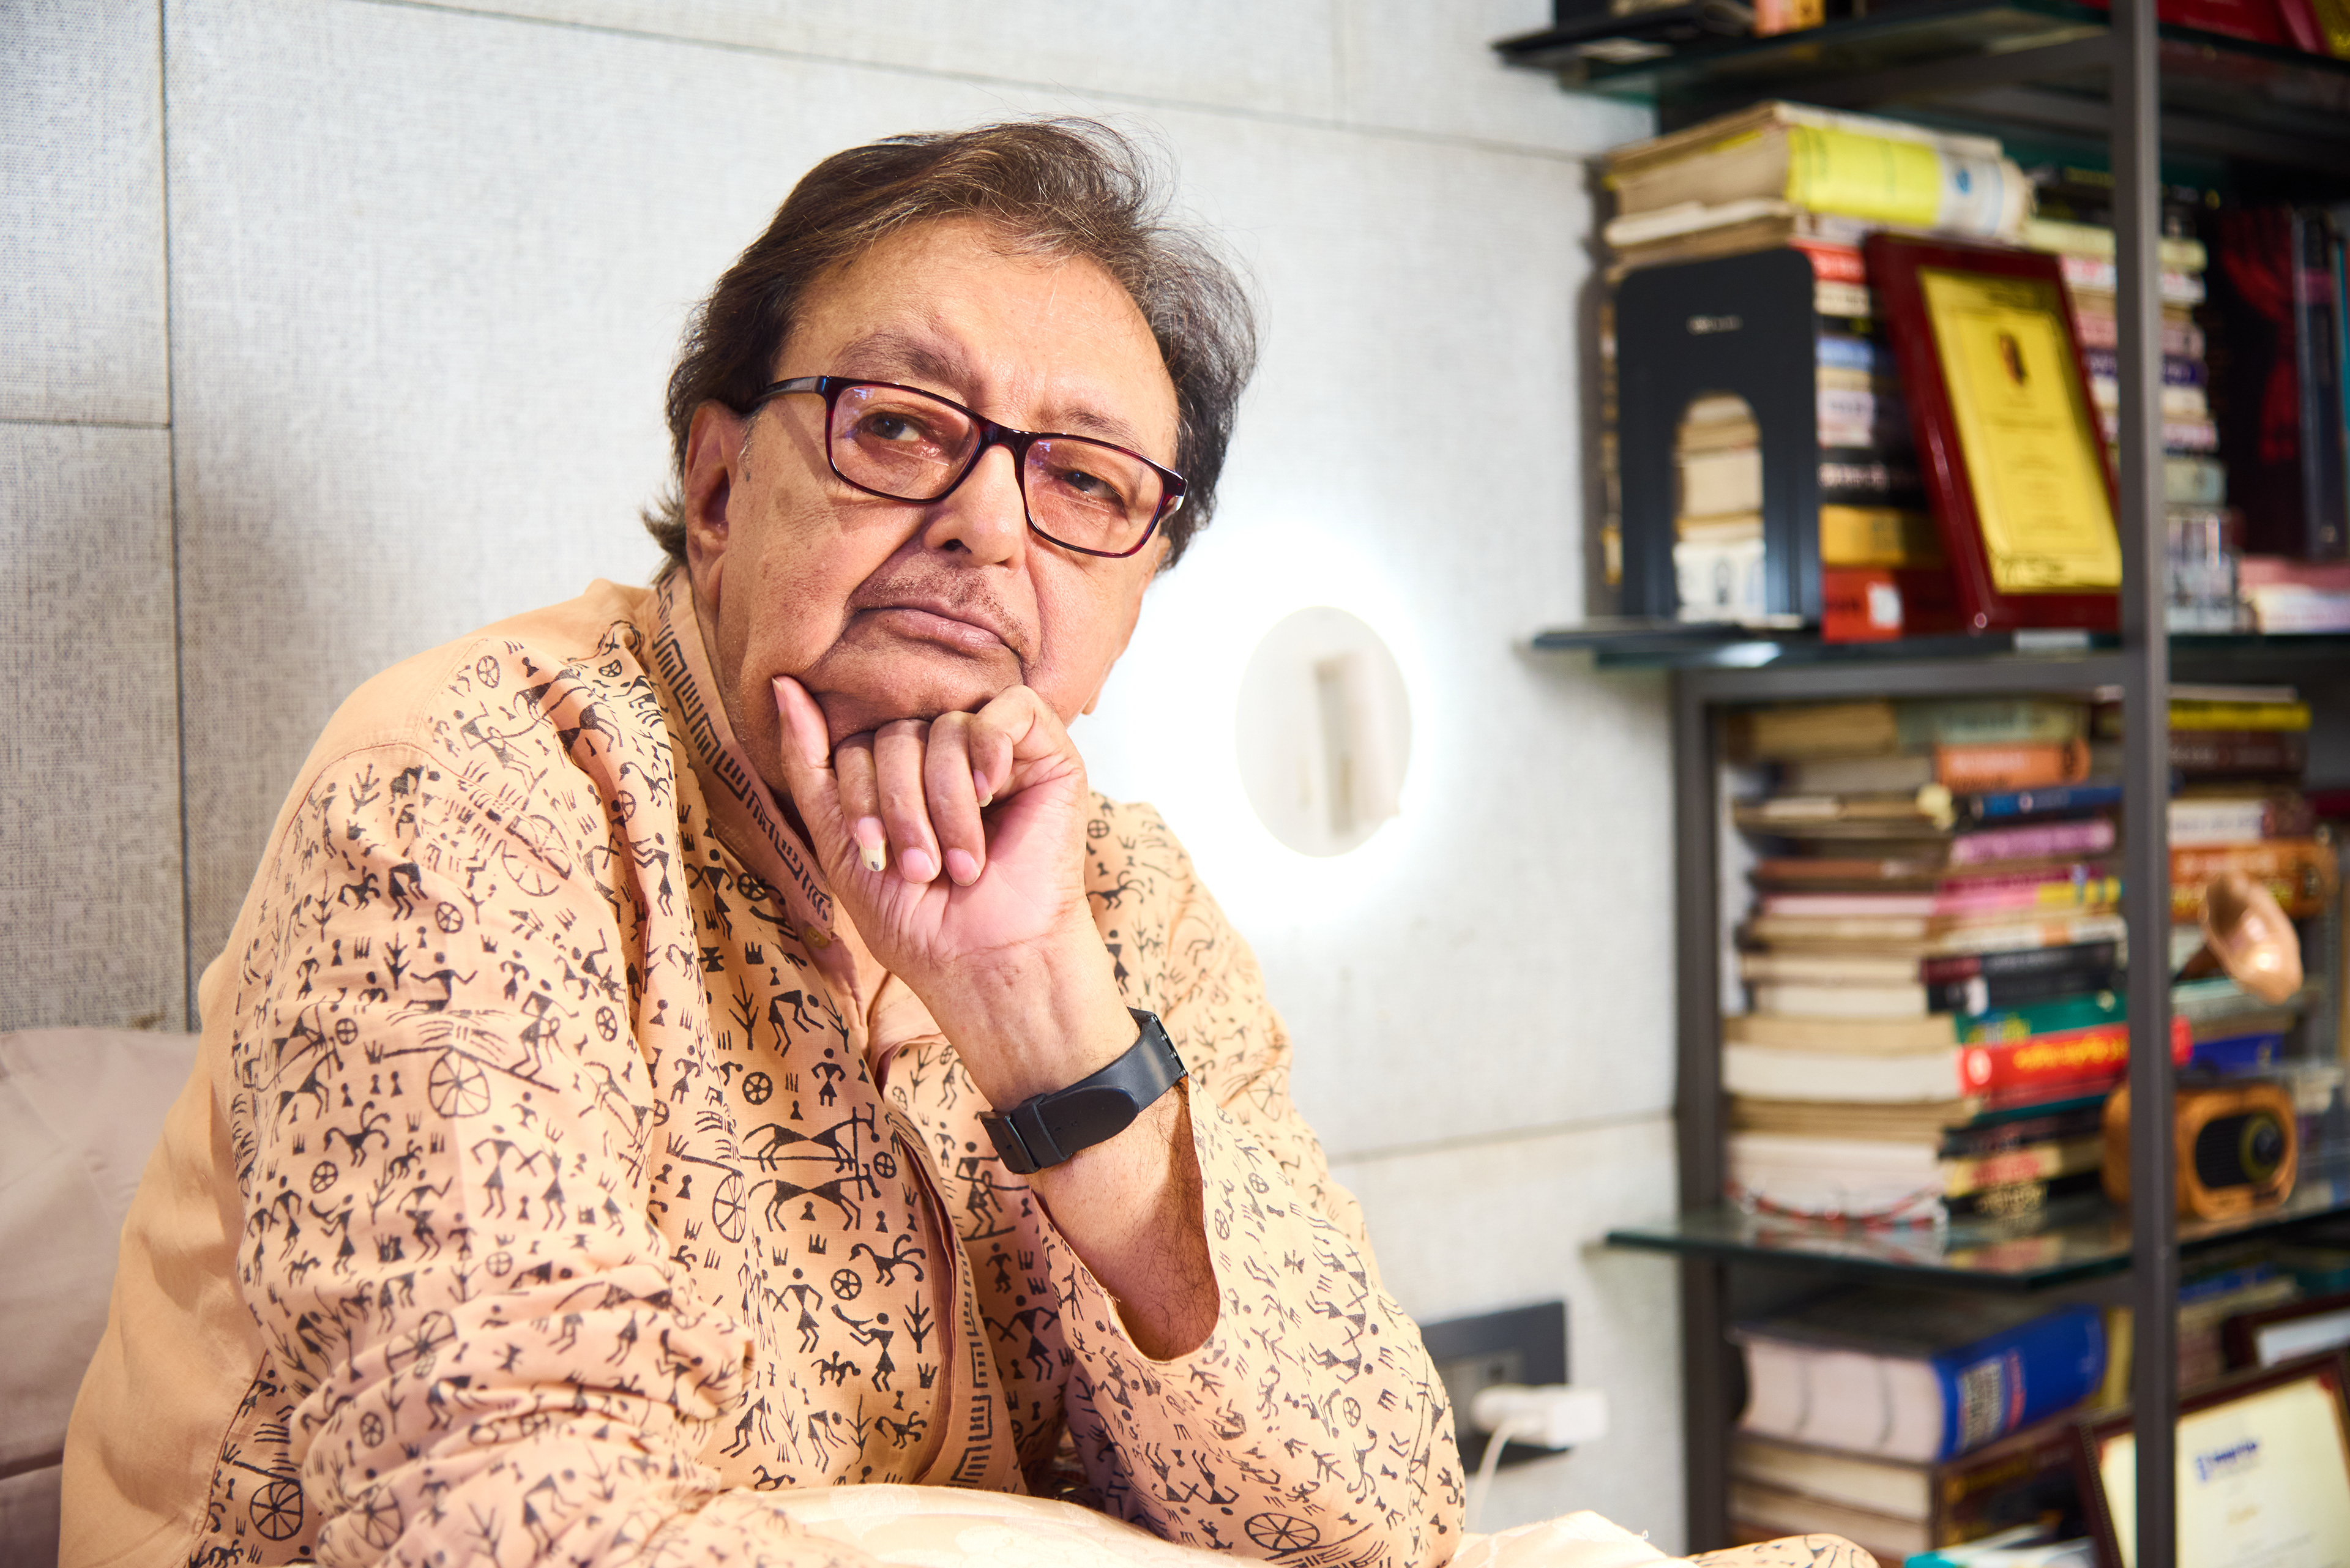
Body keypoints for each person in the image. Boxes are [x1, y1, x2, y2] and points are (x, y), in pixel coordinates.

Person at [62, 119, 1464, 1567]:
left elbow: (1382, 1521)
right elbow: (496, 1519)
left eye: (1086, 484)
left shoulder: (1122, 896)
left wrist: (1050, 1031)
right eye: (901, 426)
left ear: (1137, 596)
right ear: (722, 489)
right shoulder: (475, 786)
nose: (989, 525)